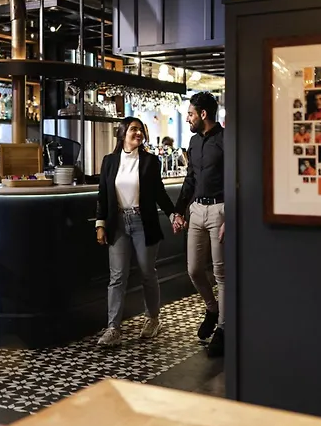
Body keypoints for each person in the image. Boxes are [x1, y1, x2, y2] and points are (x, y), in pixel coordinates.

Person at [95, 117, 179, 347]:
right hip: (118, 223)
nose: (138, 133)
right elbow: (103, 195)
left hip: (143, 222)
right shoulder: (109, 161)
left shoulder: (150, 161)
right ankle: (113, 328)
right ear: (122, 133)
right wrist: (100, 224)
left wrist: (173, 214)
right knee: (117, 277)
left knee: (147, 272)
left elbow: (159, 192)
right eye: (134, 129)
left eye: (141, 130)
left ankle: (152, 319)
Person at [173, 92, 225, 358]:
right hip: (196, 210)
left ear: (203, 114)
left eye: (191, 114)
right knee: (194, 269)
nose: (188, 119)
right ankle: (212, 309)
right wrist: (179, 210)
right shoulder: (193, 142)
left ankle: (224, 329)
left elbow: (237, 177)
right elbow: (190, 178)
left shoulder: (226, 139)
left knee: (221, 274)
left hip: (220, 210)